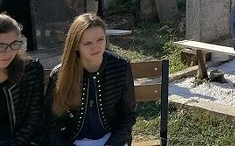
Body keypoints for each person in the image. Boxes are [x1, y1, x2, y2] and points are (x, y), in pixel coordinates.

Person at [46, 13, 136, 146]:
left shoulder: (121, 66)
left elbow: (128, 115)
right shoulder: (60, 73)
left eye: (100, 39)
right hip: (73, 141)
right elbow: (51, 122)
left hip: (111, 139)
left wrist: (112, 144)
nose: (96, 47)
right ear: (76, 45)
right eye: (87, 43)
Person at [0, 14, 44, 145]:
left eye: (14, 44)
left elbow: (34, 118)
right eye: (1, 46)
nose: (8, 52)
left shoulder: (31, 70)